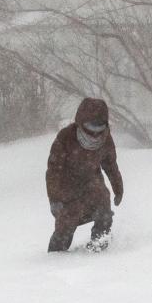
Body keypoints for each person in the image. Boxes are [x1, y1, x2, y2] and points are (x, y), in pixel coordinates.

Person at [45, 98, 123, 252]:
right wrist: (54, 199)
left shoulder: (105, 138)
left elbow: (110, 165)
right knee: (66, 225)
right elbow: (53, 171)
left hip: (93, 183)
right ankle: (55, 256)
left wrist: (118, 188)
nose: (94, 132)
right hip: (67, 187)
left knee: (104, 212)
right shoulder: (66, 137)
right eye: (90, 126)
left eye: (99, 127)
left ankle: (100, 244)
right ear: (80, 123)